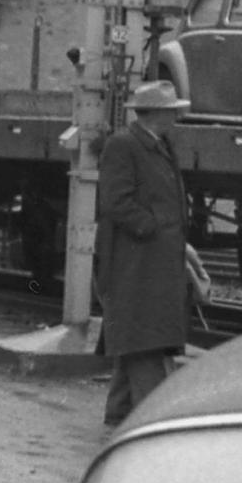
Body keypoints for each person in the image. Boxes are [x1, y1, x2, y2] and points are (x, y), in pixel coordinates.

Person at [96, 77, 189, 429]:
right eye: (170, 113)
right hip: (136, 260)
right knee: (144, 336)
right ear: (155, 114)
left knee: (140, 332)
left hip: (152, 258)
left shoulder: (158, 143)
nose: (174, 119)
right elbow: (115, 201)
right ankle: (151, 421)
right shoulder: (125, 146)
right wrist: (152, 227)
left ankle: (118, 414)